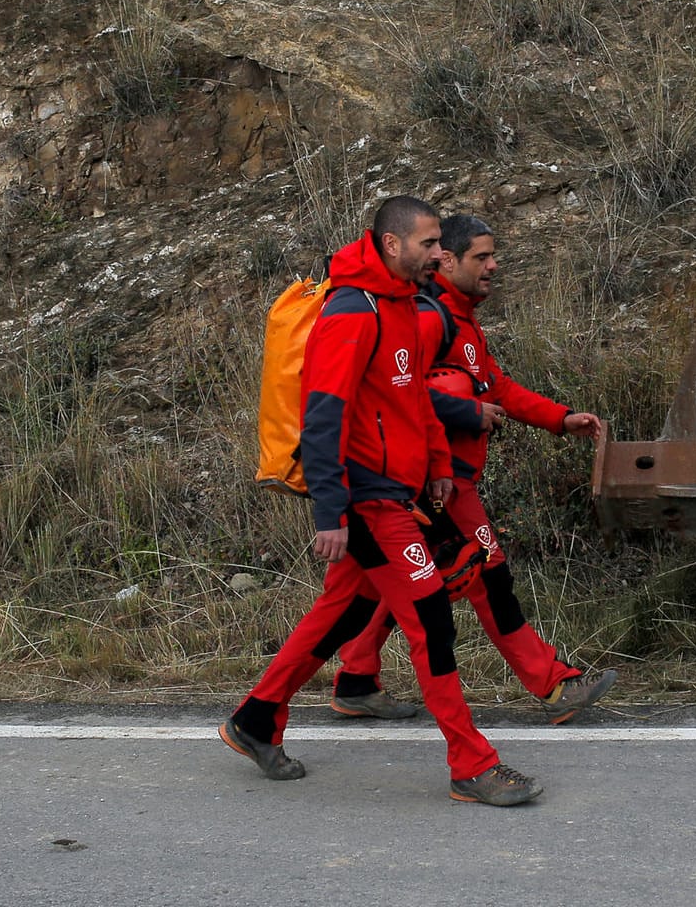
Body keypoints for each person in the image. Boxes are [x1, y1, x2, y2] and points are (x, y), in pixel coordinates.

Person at [219, 196, 541, 807]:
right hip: (368, 500)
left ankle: (256, 719)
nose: (438, 255)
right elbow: (323, 419)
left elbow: (415, 401)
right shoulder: (352, 312)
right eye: (428, 245)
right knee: (431, 622)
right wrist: (331, 513)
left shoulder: (403, 307)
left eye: (440, 245)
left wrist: (440, 468)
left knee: (339, 613)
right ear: (392, 245)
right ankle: (472, 764)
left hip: (403, 492)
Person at [328, 214, 616, 726]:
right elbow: (398, 395)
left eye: (492, 255)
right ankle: (551, 684)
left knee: (377, 590)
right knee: (489, 577)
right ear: (448, 261)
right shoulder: (430, 317)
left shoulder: (459, 319)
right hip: (439, 484)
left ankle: (352, 680)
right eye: (480, 257)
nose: (493, 265)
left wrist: (559, 418)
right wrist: (464, 413)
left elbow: (495, 388)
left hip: (413, 487)